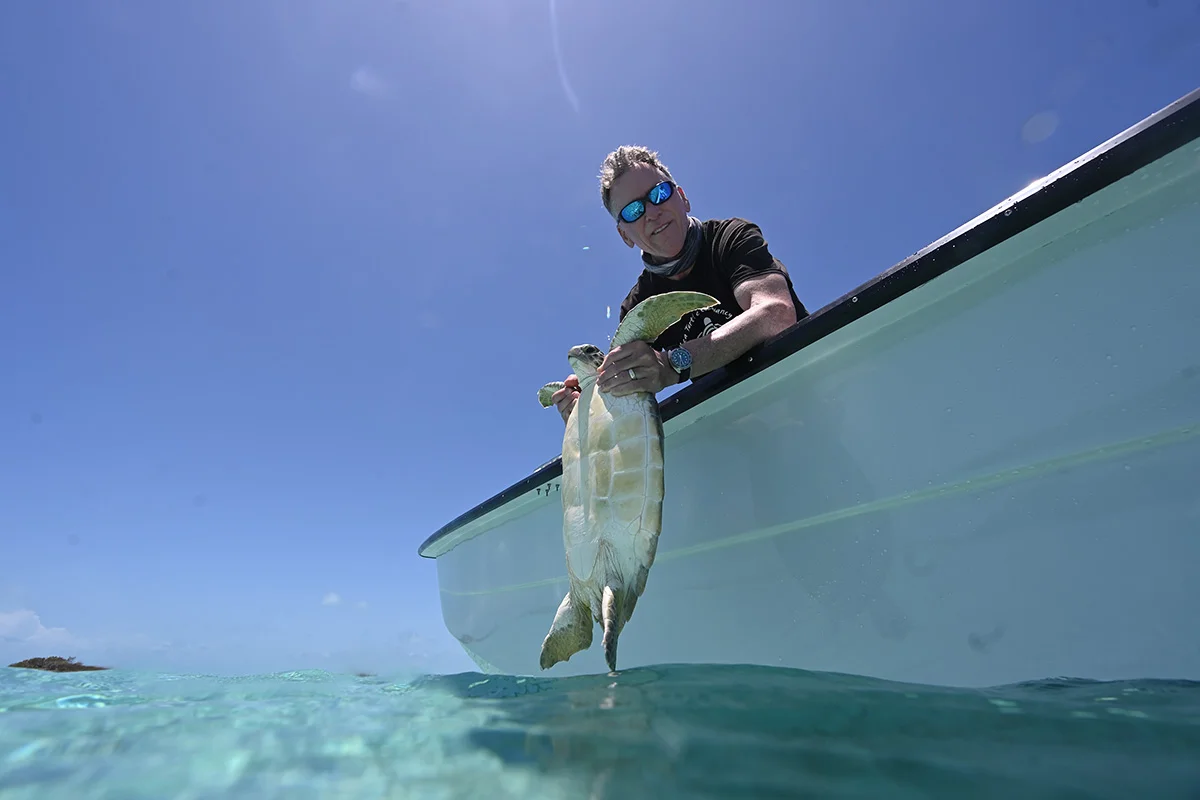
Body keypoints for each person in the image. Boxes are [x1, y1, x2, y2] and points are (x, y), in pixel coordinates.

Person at [551, 145, 809, 422]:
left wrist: (672, 365)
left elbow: (775, 314)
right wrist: (590, 404)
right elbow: (627, 389)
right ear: (625, 236)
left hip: (810, 389)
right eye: (633, 210)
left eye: (659, 193)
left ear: (683, 198)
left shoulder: (730, 237)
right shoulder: (637, 307)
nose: (652, 212)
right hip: (741, 425)